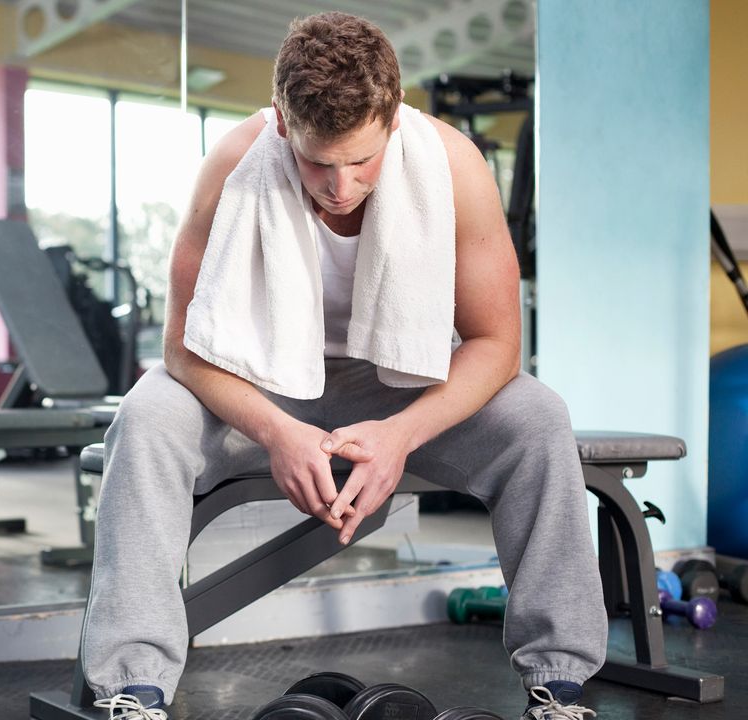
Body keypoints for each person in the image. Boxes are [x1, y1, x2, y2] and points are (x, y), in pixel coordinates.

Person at [81, 13, 603, 720]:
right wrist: (273, 430)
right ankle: (131, 686)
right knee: (147, 414)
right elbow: (183, 348)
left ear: (392, 122)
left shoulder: (454, 166)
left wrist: (401, 436)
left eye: (360, 162)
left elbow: (495, 346)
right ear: (282, 127)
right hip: (259, 381)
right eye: (317, 162)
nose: (338, 185)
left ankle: (559, 682)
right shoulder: (235, 165)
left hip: (398, 383)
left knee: (537, 415)